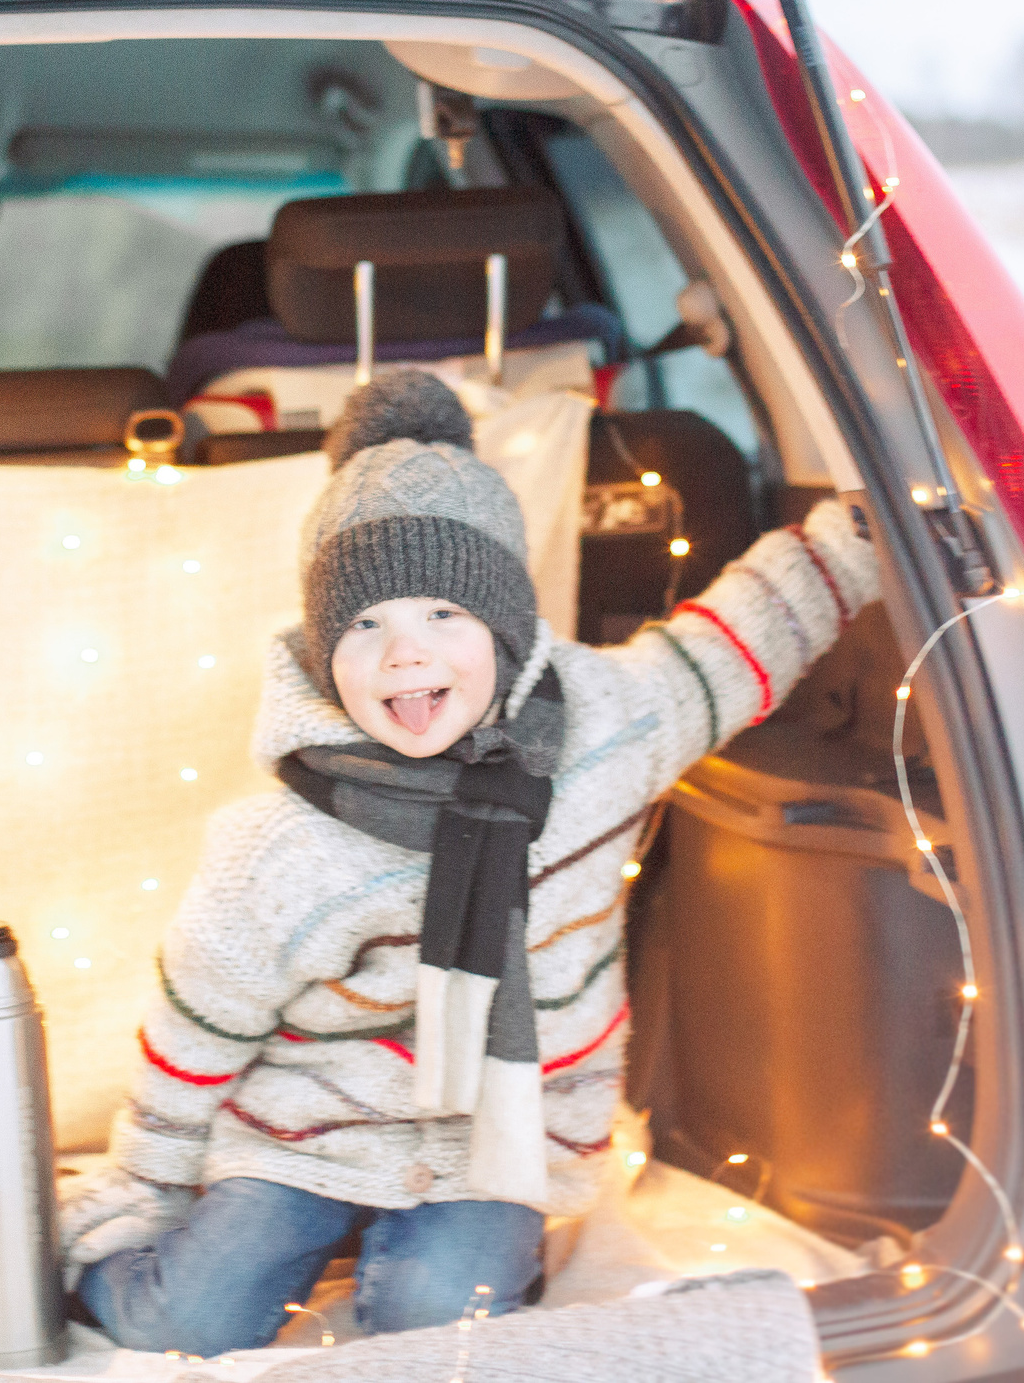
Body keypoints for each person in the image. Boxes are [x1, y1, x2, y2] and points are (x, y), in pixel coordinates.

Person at [60, 371, 881, 1356]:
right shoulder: (276, 847)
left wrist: (864, 531)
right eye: (365, 625)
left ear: (504, 621)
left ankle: (449, 1257)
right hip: (306, 1129)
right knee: (186, 1318)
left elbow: (745, 631)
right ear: (324, 651)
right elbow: (195, 1026)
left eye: (444, 614)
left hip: (504, 1143)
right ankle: (73, 1253)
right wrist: (143, 1192)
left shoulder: (610, 726)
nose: (406, 655)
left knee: (431, 1328)